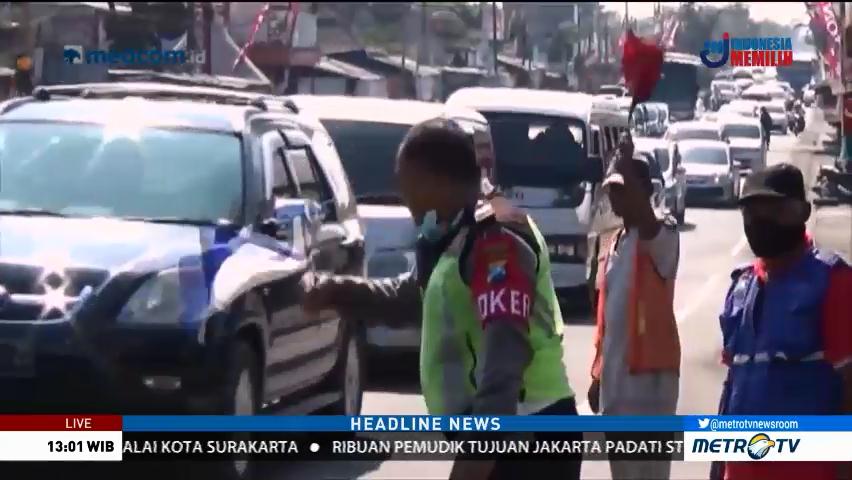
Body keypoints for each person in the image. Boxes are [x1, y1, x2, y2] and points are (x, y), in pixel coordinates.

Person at [302, 118, 582, 480]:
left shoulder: (497, 242)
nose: (404, 199)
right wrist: (337, 291)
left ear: (435, 182)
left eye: (407, 185)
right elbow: (415, 296)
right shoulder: (458, 237)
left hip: (527, 439)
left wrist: (474, 462)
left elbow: (505, 360)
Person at [716, 164, 852, 480]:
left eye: (774, 210)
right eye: (751, 213)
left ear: (802, 212)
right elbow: (733, 386)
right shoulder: (741, 286)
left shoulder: (834, 281)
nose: (761, 222)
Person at [587, 136, 681, 480]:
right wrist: (598, 377)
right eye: (612, 187)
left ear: (644, 190)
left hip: (650, 384)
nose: (615, 195)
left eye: (623, 186)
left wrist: (626, 162)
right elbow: (606, 321)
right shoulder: (612, 243)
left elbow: (647, 219)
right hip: (617, 385)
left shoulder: (663, 234)